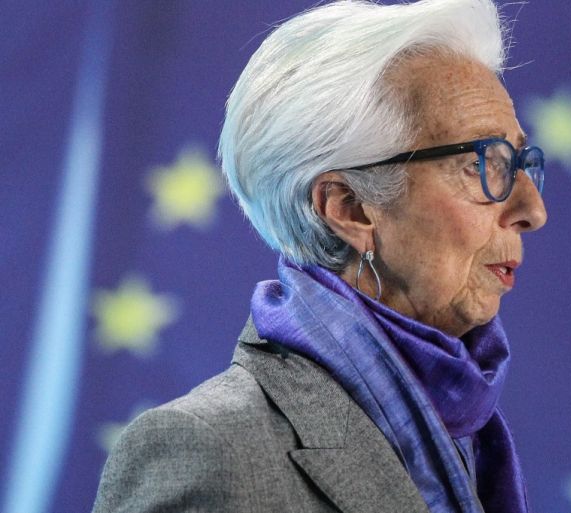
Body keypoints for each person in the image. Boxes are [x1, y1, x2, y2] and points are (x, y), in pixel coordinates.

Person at [92, 0, 547, 511]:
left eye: (520, 162)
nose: (533, 210)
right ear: (349, 207)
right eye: (482, 164)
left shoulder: (471, 440)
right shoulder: (208, 452)